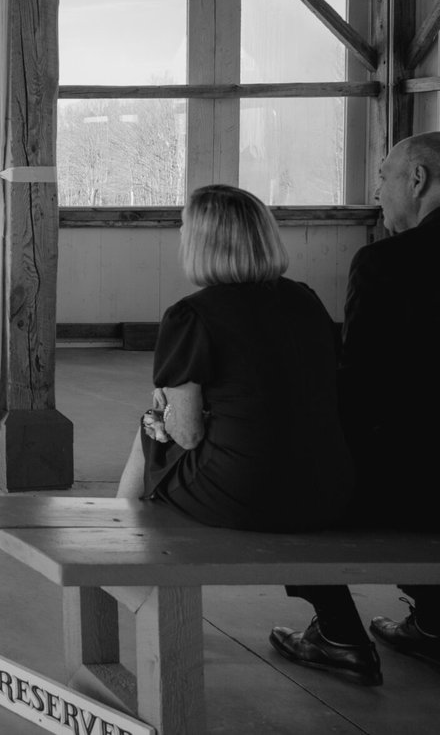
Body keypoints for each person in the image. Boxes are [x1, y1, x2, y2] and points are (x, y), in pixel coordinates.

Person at [270, 133, 440, 686]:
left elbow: (360, 384)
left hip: (415, 485)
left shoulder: (388, 263)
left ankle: (338, 632)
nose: (376, 191)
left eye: (384, 176)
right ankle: (434, 621)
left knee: (283, 475)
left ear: (418, 180)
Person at [113, 185, 353, 536]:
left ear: (203, 241)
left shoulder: (190, 316)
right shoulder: (305, 299)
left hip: (247, 494)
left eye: (184, 225)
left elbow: (187, 434)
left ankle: (117, 535)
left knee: (151, 427)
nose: (180, 233)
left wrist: (166, 408)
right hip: (328, 488)